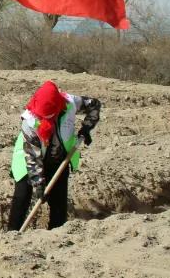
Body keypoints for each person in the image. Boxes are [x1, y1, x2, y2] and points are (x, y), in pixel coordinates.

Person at [7, 81, 101, 231]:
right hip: (28, 158)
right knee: (22, 196)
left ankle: (56, 235)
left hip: (58, 157)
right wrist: (38, 184)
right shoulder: (30, 121)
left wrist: (86, 128)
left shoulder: (70, 102)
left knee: (59, 201)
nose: (47, 120)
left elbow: (94, 105)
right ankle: (11, 234)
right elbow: (32, 157)